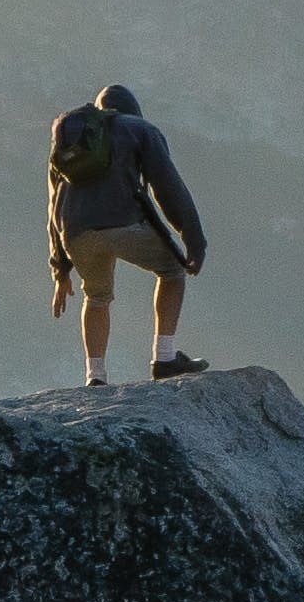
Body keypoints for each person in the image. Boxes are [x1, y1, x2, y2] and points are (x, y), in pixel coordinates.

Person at [44, 81, 209, 386]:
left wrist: (61, 268)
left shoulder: (69, 135)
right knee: (172, 271)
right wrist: (193, 239)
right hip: (123, 223)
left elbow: (55, 204)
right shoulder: (141, 130)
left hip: (76, 234)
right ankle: (165, 358)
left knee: (96, 296)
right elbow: (167, 187)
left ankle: (95, 377)